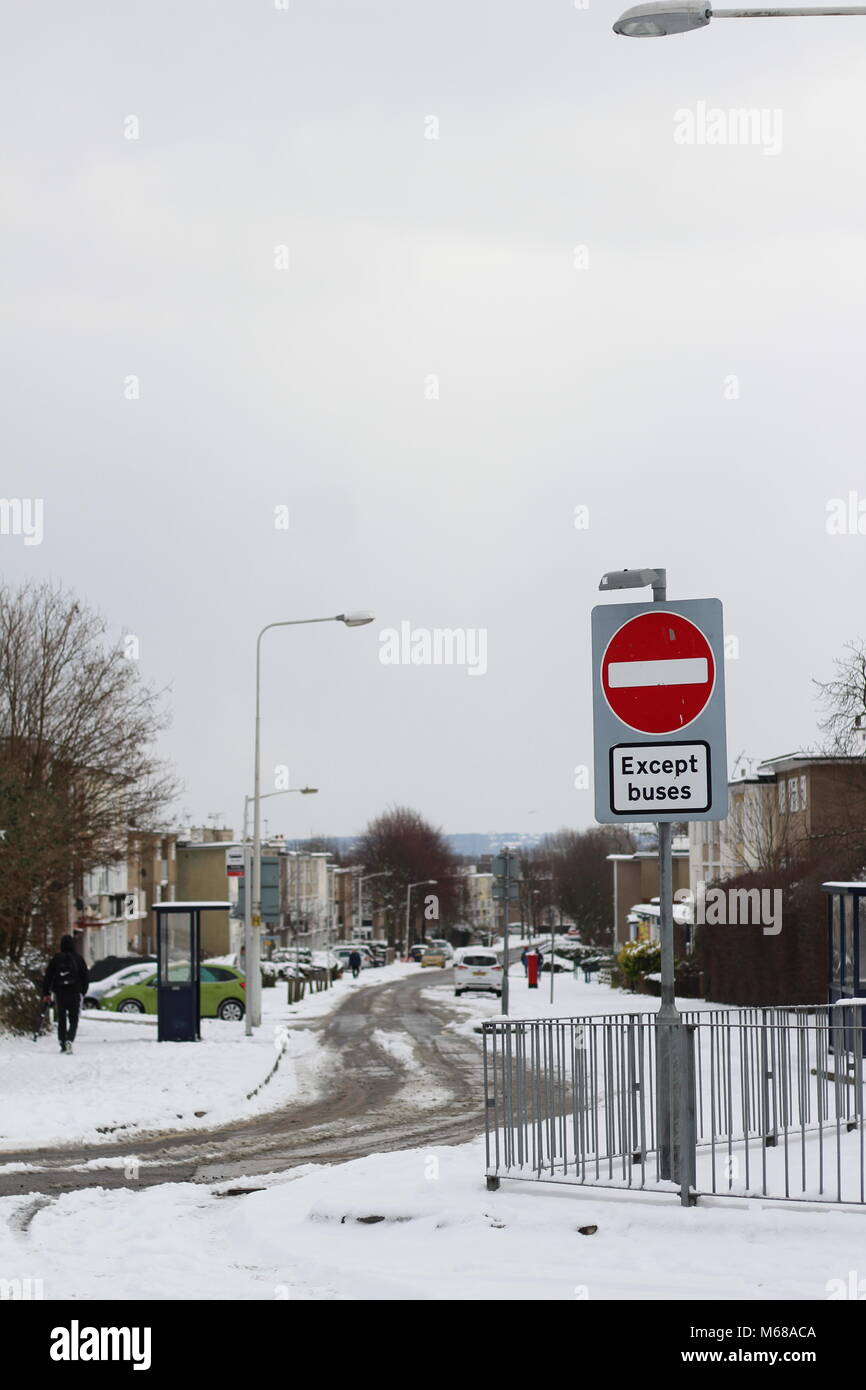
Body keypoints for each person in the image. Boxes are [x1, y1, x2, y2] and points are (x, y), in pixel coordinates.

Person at [42, 934, 88, 1054]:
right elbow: (85, 977)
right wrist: (82, 992)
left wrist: (46, 992)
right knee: (73, 1019)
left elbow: (49, 976)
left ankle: (62, 1042)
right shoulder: (79, 959)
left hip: (60, 993)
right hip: (74, 993)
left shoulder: (56, 958)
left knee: (61, 1019)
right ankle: (69, 1040)